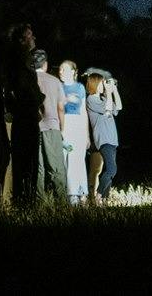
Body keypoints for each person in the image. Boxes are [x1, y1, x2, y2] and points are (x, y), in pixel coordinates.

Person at [5, 24, 40, 206]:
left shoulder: (16, 60)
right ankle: (26, 200)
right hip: (27, 115)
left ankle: (22, 198)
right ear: (22, 40)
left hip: (23, 114)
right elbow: (25, 86)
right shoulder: (22, 60)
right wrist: (37, 99)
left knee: (22, 160)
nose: (33, 37)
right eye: (29, 35)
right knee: (28, 160)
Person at [31, 50, 68, 206]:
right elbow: (61, 108)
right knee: (56, 168)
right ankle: (61, 203)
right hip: (51, 127)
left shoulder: (29, 80)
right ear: (45, 64)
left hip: (33, 129)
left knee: (38, 168)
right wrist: (62, 129)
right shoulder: (54, 81)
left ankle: (40, 204)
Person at [83, 70, 121, 201]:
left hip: (112, 139)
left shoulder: (104, 98)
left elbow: (119, 108)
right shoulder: (91, 99)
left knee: (109, 171)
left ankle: (104, 199)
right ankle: (98, 196)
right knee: (112, 169)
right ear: (94, 84)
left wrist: (114, 90)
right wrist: (109, 93)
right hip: (103, 139)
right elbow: (108, 108)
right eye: (100, 83)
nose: (102, 85)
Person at [58, 60, 89, 201]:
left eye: (64, 69)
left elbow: (83, 112)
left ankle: (81, 193)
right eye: (60, 70)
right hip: (64, 124)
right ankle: (70, 195)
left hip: (77, 125)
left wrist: (87, 134)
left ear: (72, 72)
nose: (61, 72)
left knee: (77, 159)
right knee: (66, 159)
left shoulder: (80, 88)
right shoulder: (59, 87)